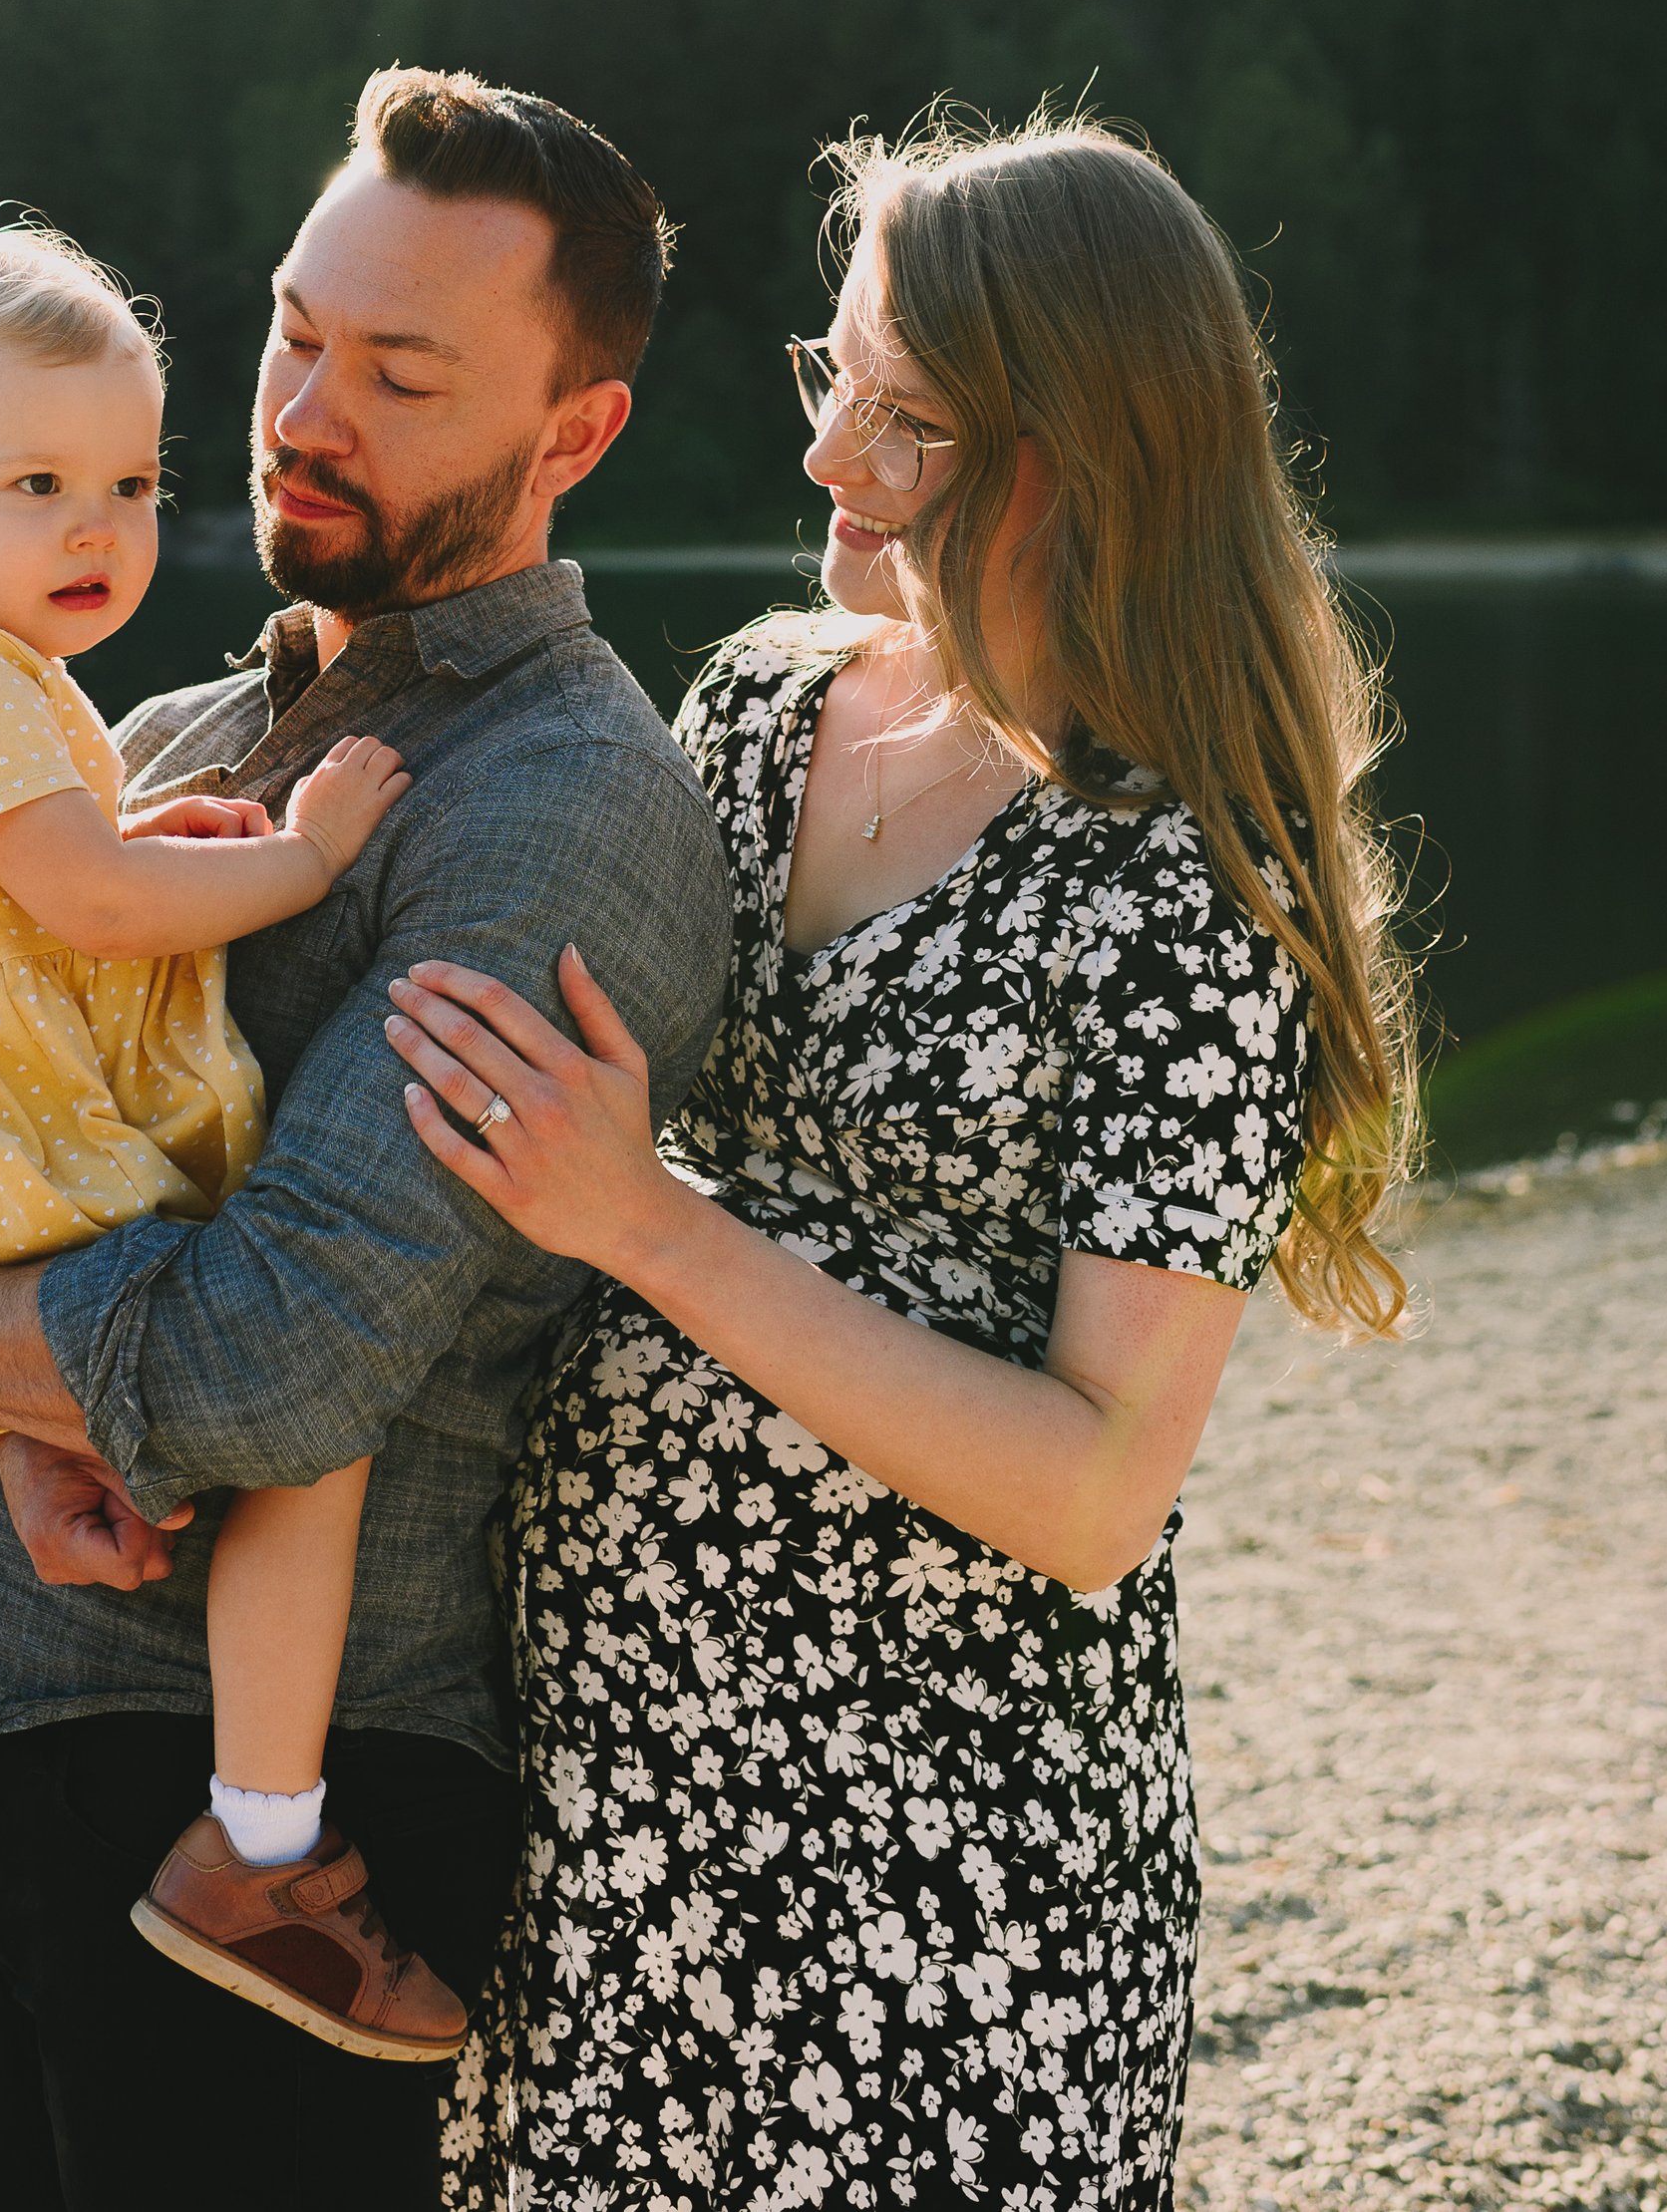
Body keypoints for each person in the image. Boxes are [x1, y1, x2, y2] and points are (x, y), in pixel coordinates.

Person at [383, 110, 1417, 2212]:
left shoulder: (1189, 894)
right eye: (827, 377)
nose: (827, 457)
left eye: (899, 417)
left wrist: (650, 1225)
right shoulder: (758, 715)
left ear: (1077, 454)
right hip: (607, 1815)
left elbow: (1093, 1484)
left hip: (938, 1887)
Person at [0, 69, 735, 2210]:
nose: (303, 405)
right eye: (295, 329)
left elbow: (276, 1356)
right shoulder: (169, 737)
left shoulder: (552, 804)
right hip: (38, 1745)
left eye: (397, 369)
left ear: (572, 435)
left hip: (296, 1816)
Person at [0, 219, 464, 2056]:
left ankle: (56, 1455)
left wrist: (156, 830)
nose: (94, 528)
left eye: (130, 481)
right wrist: (303, 847)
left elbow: (53, 880)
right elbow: (97, 904)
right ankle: (267, 1843)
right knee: (313, 1415)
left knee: (139, 1392)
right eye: (35, 481)